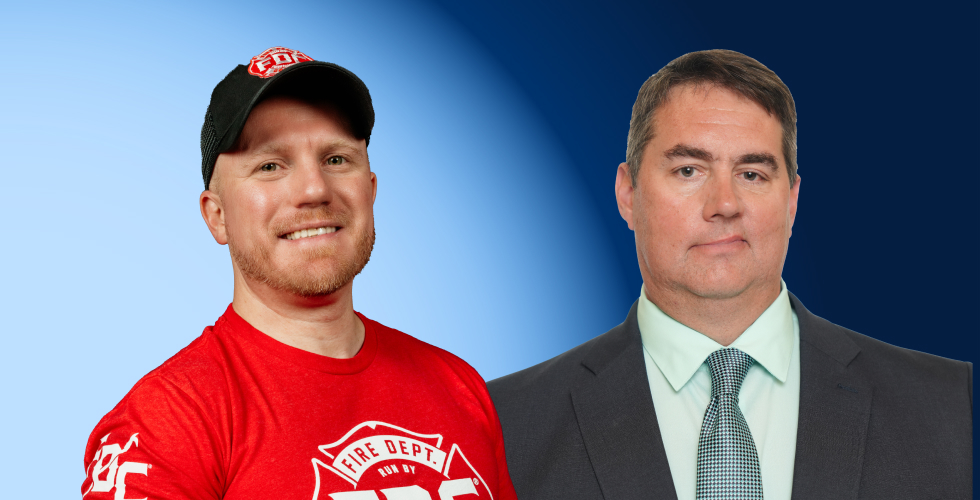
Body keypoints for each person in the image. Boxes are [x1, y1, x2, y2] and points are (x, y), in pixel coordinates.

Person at [488, 49, 972, 500]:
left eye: (752, 174)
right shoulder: (502, 424)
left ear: (792, 201)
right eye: (688, 170)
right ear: (628, 194)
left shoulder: (951, 406)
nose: (724, 205)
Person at [82, 47, 517, 500]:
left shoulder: (457, 386)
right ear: (217, 216)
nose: (314, 189)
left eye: (336, 159)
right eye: (270, 166)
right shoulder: (167, 422)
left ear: (369, 191)